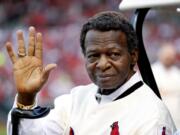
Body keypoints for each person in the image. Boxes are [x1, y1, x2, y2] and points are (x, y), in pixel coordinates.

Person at [6, 11, 176, 135]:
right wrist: (25, 98)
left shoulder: (151, 116)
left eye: (113, 54)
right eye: (94, 55)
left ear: (133, 56)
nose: (102, 64)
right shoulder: (75, 99)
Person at [151, 43, 180, 128]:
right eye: (167, 55)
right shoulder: (153, 71)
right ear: (160, 55)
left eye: (171, 55)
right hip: (158, 116)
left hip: (176, 116)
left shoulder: (176, 73)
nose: (169, 58)